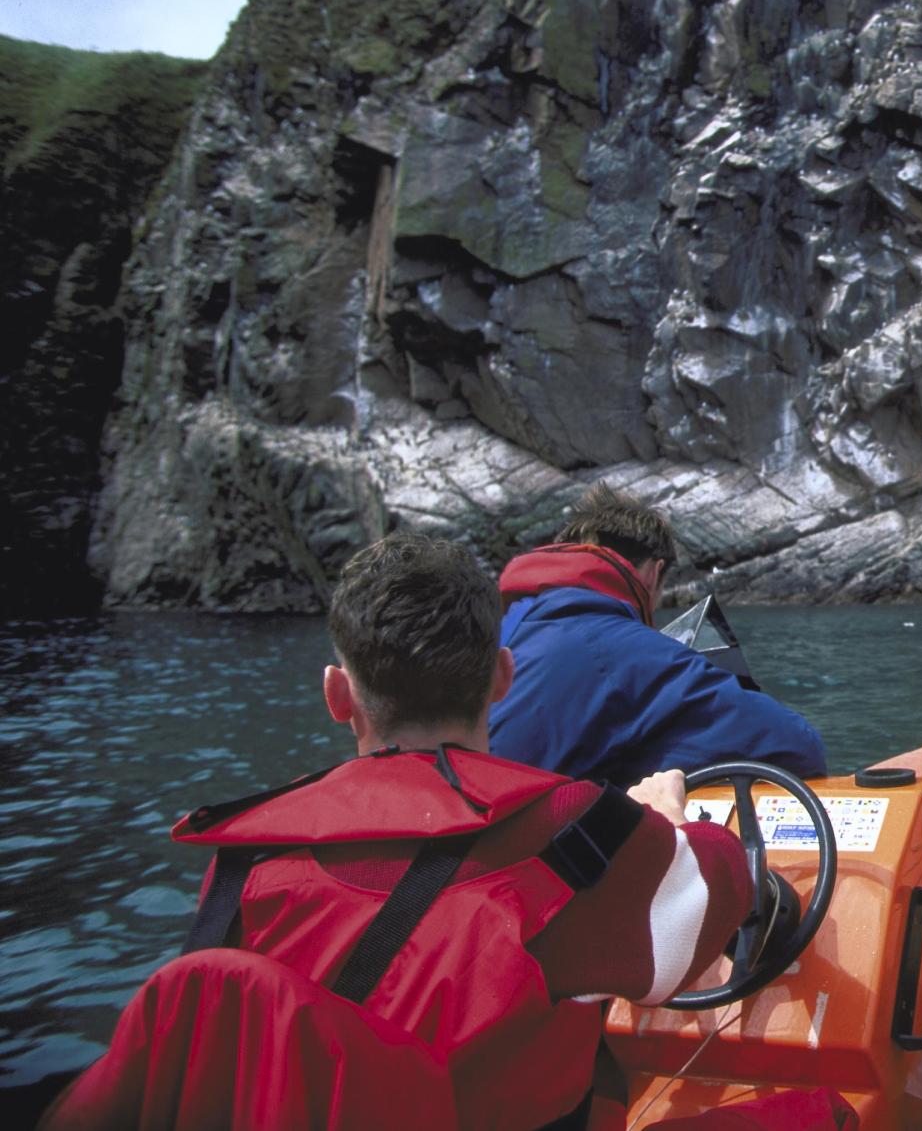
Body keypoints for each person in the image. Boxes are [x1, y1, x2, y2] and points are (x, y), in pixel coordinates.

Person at [41, 534, 755, 1131]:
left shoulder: (241, 859)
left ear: (336, 694)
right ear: (502, 677)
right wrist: (669, 821)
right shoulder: (575, 834)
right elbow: (711, 911)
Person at [490, 483, 828, 786]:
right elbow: (799, 745)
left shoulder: (495, 622)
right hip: (509, 849)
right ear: (655, 572)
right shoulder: (626, 649)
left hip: (456, 837)